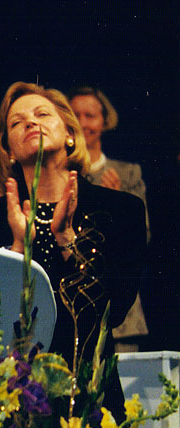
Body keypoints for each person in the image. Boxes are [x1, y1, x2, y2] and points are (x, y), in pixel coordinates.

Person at [0, 82, 146, 418]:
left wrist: (65, 238)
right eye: (17, 122)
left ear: (71, 133)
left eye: (42, 114)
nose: (31, 122)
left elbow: (111, 310)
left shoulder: (121, 209)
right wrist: (18, 249)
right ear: (8, 149)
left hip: (91, 402)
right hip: (13, 404)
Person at [68, 86, 149, 351]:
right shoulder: (61, 174)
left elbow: (142, 237)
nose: (82, 122)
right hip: (71, 309)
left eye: (90, 115)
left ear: (105, 121)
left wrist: (117, 206)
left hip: (119, 315)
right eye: (75, 114)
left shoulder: (127, 173)